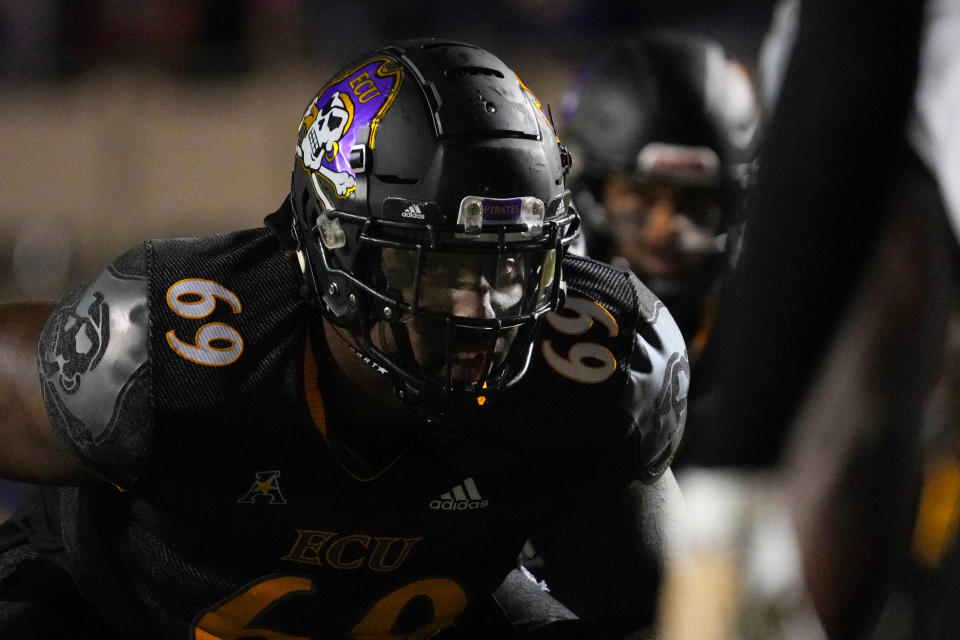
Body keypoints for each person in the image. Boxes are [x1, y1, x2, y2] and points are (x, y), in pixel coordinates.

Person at [0, 39, 688, 639]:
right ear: (333, 248)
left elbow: (661, 609)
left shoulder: (596, 369)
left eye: (511, 264)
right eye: (442, 267)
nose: (484, 310)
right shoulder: (174, 348)